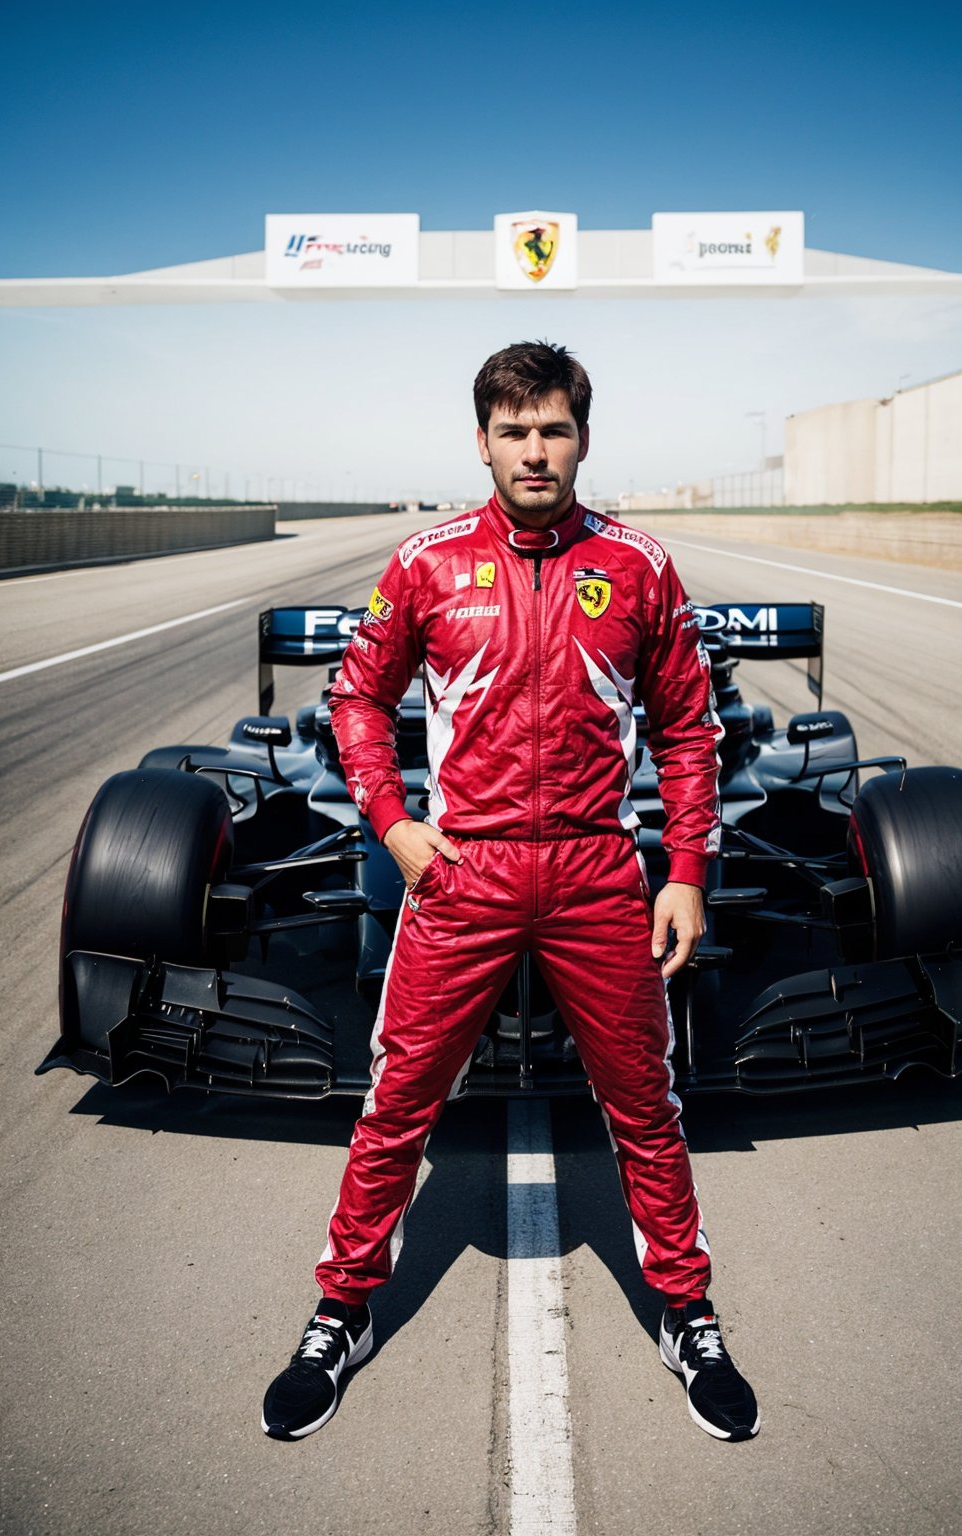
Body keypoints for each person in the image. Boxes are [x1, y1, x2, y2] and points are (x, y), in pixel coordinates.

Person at [261, 341, 760, 1444]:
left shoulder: (639, 565)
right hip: (466, 869)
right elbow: (355, 699)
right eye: (514, 430)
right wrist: (394, 827)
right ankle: (339, 1311)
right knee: (396, 1105)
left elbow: (688, 729)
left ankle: (687, 1311)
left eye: (555, 429)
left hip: (593, 868)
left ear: (584, 435)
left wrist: (684, 873)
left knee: (647, 1108)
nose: (536, 451)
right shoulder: (426, 562)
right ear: (481, 440)